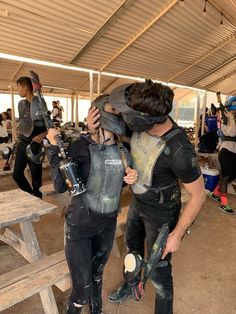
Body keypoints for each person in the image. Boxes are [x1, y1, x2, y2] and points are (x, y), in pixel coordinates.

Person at [87, 80, 205, 314]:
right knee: (132, 248)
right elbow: (113, 141)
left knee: (159, 268)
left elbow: (199, 195)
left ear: (143, 119)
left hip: (162, 213)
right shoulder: (138, 125)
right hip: (138, 201)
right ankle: (131, 285)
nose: (122, 115)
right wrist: (94, 130)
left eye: (127, 114)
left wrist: (177, 234)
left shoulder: (180, 150)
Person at [46, 94, 138, 314]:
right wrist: (52, 147)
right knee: (81, 289)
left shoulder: (124, 151)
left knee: (97, 275)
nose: (118, 114)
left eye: (118, 111)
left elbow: (115, 187)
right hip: (80, 227)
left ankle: (96, 310)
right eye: (113, 110)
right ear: (96, 113)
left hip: (107, 224)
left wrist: (131, 177)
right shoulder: (80, 147)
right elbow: (60, 186)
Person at [12, 76, 47, 198]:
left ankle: (38, 197)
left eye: (19, 88)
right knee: (16, 174)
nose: (18, 91)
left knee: (36, 178)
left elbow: (49, 125)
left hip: (35, 145)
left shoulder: (40, 103)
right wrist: (18, 131)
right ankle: (31, 195)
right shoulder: (21, 104)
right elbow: (24, 121)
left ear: (26, 88)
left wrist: (43, 134)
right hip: (22, 143)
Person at [209, 104, 236, 214]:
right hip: (225, 152)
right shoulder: (225, 121)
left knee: (231, 176)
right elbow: (232, 132)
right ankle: (224, 204)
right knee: (224, 178)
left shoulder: (232, 120)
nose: (234, 114)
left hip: (234, 153)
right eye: (233, 112)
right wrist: (230, 118)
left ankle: (215, 193)